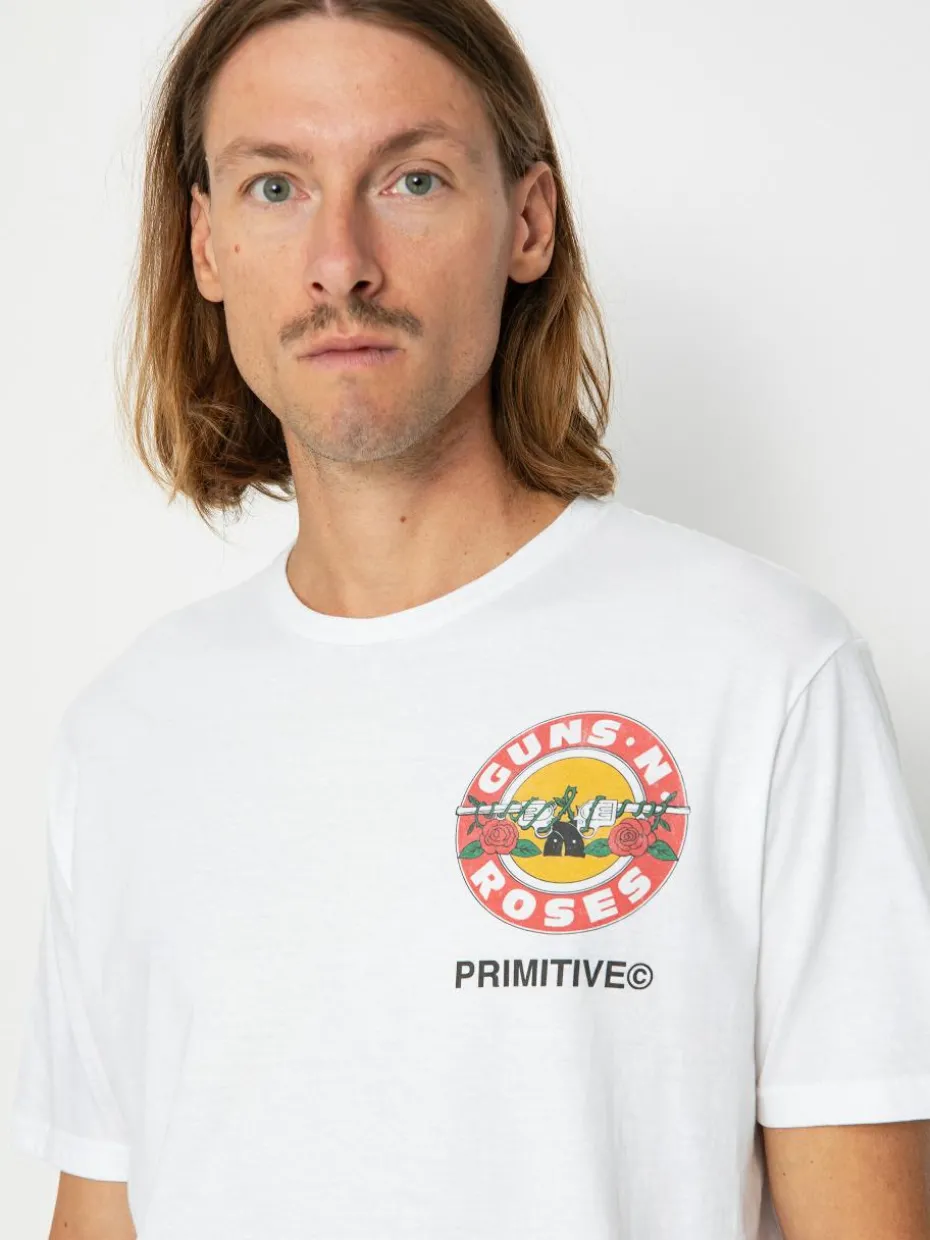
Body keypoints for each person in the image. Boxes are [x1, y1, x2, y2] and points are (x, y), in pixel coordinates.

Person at [10, 1, 930, 1238]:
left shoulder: (764, 673)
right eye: (276, 186)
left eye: (413, 178)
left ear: (528, 223)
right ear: (207, 244)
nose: (341, 261)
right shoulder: (126, 734)